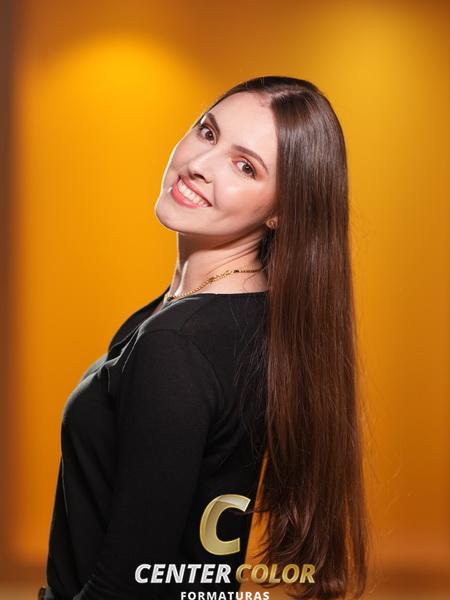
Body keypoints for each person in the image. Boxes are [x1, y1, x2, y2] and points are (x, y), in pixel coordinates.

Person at [39, 76, 369, 600]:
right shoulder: (251, 319)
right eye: (207, 131)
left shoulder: (178, 344)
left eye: (245, 166)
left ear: (282, 211)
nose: (200, 164)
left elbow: (125, 589)